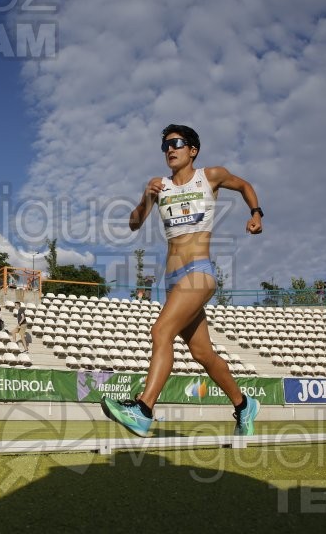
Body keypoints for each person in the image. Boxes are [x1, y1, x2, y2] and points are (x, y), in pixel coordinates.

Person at [101, 124, 263, 438]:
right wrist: (146, 199)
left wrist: (257, 213)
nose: (170, 150)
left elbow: (244, 186)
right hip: (172, 279)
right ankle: (244, 405)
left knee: (161, 330)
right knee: (202, 353)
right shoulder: (159, 185)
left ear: (193, 150)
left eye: (176, 143)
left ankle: (144, 409)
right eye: (165, 146)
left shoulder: (211, 176)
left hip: (199, 271)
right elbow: (135, 224)